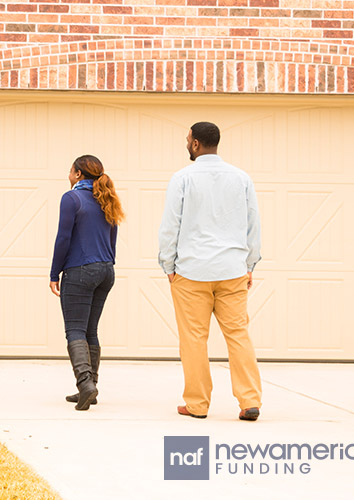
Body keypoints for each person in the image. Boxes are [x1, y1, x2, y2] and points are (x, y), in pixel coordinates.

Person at [158, 121, 263, 422]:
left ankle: (198, 404)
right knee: (238, 335)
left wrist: (168, 265)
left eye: (187, 138)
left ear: (194, 144)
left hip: (191, 272)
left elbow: (170, 226)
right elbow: (252, 224)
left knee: (193, 339)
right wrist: (249, 265)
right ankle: (249, 401)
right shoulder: (241, 178)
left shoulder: (182, 178)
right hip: (232, 270)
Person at [49, 155, 123, 411]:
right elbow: (113, 237)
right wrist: (107, 263)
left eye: (70, 171)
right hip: (105, 271)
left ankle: (86, 385)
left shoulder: (72, 198)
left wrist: (54, 273)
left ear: (78, 174)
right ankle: (89, 386)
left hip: (80, 270)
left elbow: (63, 239)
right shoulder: (107, 197)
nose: (68, 175)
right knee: (91, 330)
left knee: (75, 330)